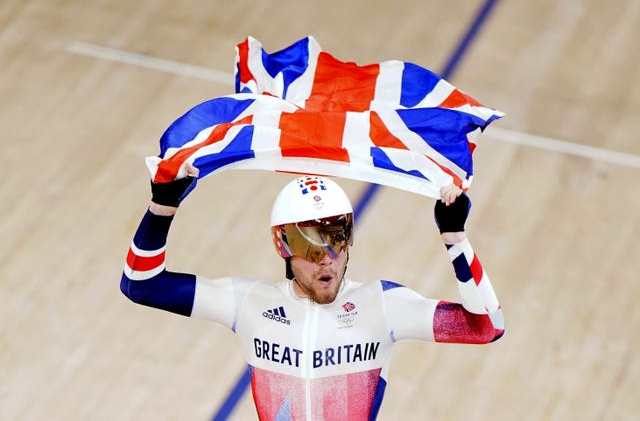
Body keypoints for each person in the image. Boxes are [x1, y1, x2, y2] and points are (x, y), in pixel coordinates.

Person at [121, 167, 504, 420]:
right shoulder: (250, 304)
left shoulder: (382, 306)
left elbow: (485, 327)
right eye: (311, 247)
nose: (327, 261)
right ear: (282, 246)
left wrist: (456, 239)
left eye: (337, 241)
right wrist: (162, 208)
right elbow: (141, 285)